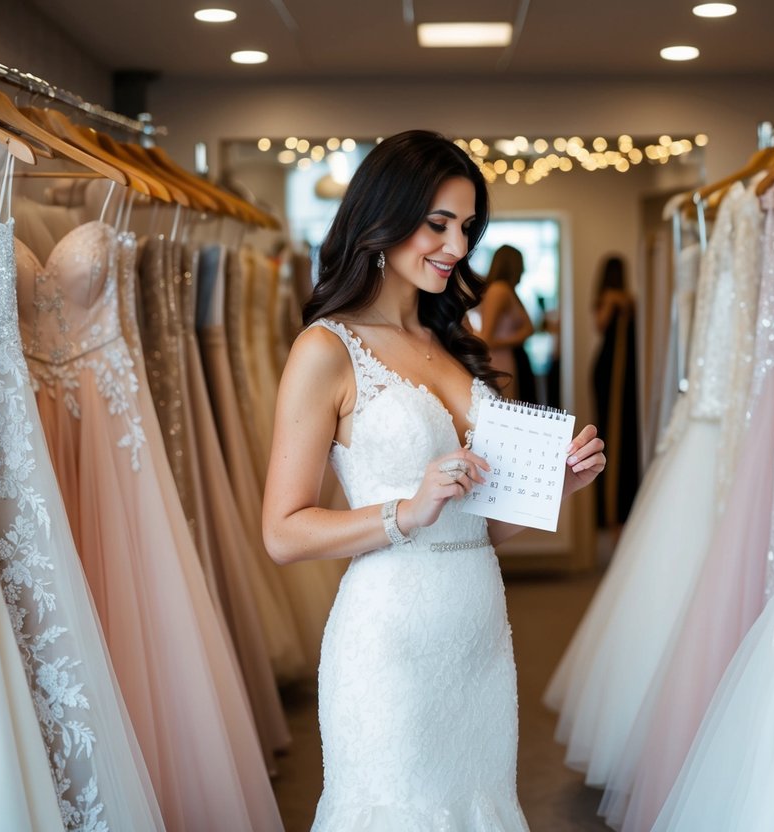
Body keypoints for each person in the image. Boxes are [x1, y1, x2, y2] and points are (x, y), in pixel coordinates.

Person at [261, 130, 605, 828]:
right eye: (437, 223)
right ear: (381, 220)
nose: (456, 245)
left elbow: (478, 527)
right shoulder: (325, 350)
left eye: (467, 227)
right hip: (388, 639)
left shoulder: (454, 343)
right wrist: (403, 512)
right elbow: (282, 533)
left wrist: (556, 485)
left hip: (479, 634)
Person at [591, 254, 640, 529]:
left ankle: (621, 509)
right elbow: (600, 325)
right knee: (611, 433)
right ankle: (610, 513)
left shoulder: (628, 299)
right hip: (611, 372)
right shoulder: (611, 299)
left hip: (622, 372)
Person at [478, 244, 538, 401]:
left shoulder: (508, 291)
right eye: (520, 265)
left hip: (511, 356)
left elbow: (529, 328)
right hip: (503, 359)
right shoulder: (499, 290)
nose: (522, 271)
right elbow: (487, 339)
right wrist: (515, 340)